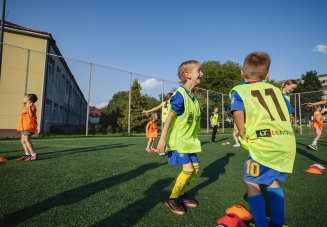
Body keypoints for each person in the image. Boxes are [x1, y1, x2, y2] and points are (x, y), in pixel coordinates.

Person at [230, 52, 296, 227]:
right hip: (286, 143)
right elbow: (289, 112)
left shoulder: (240, 89)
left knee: (251, 180)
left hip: (265, 144)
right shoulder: (275, 90)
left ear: (242, 73)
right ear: (267, 76)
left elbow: (237, 111)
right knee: (271, 179)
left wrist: (243, 133)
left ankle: (261, 223)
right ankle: (278, 222)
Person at [156, 60, 203, 216]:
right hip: (179, 141)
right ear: (188, 74)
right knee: (188, 169)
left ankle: (181, 194)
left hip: (189, 141)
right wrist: (162, 139)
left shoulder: (194, 98)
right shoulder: (180, 95)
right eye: (199, 71)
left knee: (195, 169)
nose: (202, 74)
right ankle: (173, 198)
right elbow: (169, 118)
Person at [16, 94, 39, 161]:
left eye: (25, 97)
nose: (24, 98)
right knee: (22, 140)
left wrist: (29, 107)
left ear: (29, 99)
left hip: (29, 126)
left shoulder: (32, 106)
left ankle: (34, 155)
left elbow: (32, 116)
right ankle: (27, 155)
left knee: (26, 140)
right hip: (23, 126)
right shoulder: (26, 106)